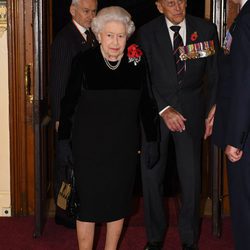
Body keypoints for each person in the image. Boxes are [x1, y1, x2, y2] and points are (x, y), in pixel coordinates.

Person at [57, 6, 159, 250]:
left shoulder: (137, 62)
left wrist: (152, 141)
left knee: (117, 204)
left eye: (121, 35)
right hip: (88, 151)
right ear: (99, 35)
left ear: (128, 36)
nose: (115, 42)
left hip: (122, 150)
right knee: (88, 208)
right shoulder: (84, 62)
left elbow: (147, 104)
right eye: (110, 35)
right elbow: (67, 105)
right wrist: (63, 142)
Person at [137, 0, 219, 249]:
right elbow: (143, 77)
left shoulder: (205, 30)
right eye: (170, 2)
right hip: (156, 113)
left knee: (191, 178)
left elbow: (215, 74)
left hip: (192, 113)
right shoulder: (146, 33)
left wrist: (213, 107)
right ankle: (154, 237)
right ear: (159, 6)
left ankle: (189, 238)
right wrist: (164, 109)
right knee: (151, 177)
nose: (177, 6)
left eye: (181, 0)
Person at [49, 0, 98, 228]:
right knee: (66, 165)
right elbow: (58, 83)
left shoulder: (93, 36)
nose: (90, 16)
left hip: (88, 116)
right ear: (72, 10)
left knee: (83, 165)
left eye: (94, 11)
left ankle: (83, 209)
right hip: (70, 116)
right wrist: (60, 119)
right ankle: (64, 214)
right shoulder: (64, 39)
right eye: (86, 11)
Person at [212, 0, 250, 249]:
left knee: (244, 205)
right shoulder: (243, 16)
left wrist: (235, 138)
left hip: (244, 133)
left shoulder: (247, 20)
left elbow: (243, 80)